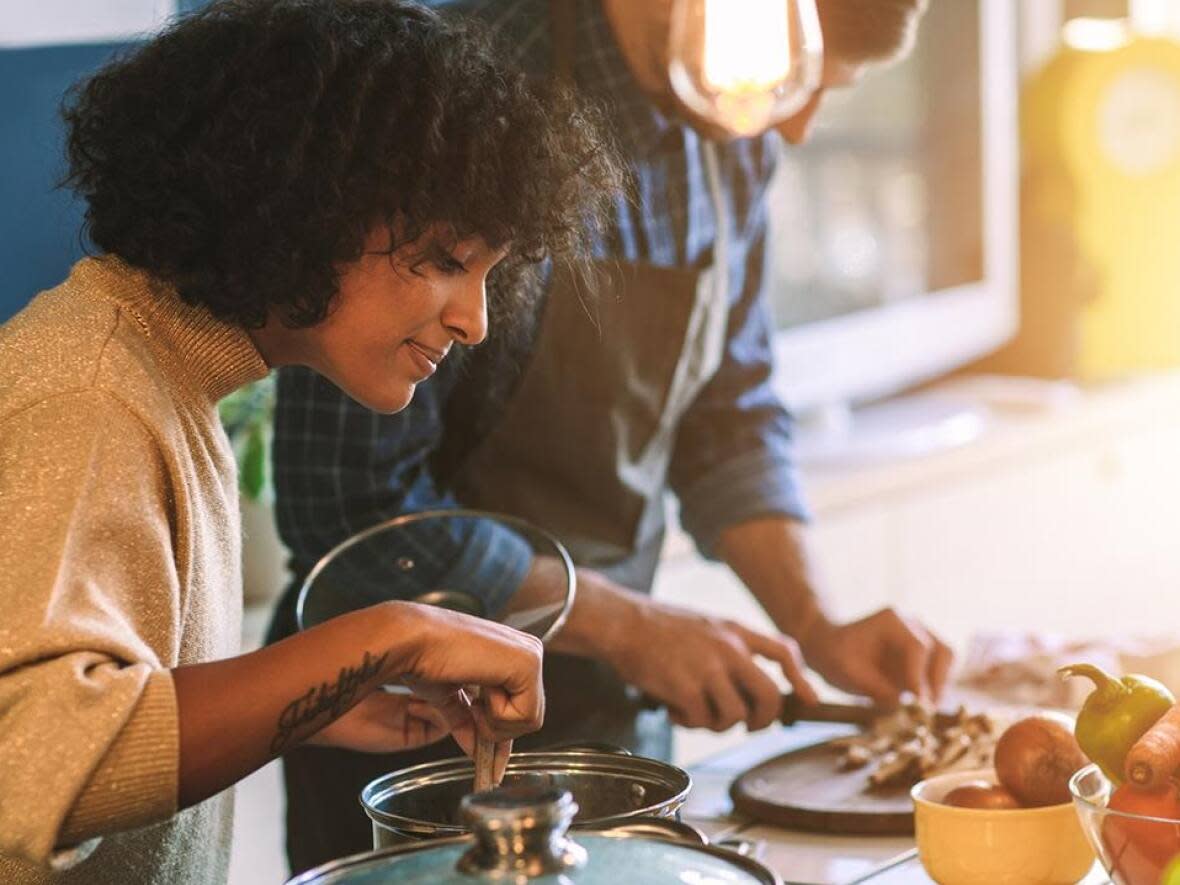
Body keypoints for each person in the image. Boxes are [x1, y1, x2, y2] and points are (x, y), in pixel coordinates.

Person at [270, 0, 955, 874]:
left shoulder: (733, 128)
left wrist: (817, 622)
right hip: (410, 746)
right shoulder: (451, 92)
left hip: (610, 730)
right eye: (800, 72)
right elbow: (354, 514)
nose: (800, 122)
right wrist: (626, 625)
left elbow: (728, 414)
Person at [0, 1, 621, 882]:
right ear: (305, 202)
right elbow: (29, 758)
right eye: (446, 259)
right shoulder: (90, 392)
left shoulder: (167, 378)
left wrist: (306, 703)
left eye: (490, 275)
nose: (476, 320)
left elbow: (117, 693)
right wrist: (394, 633)